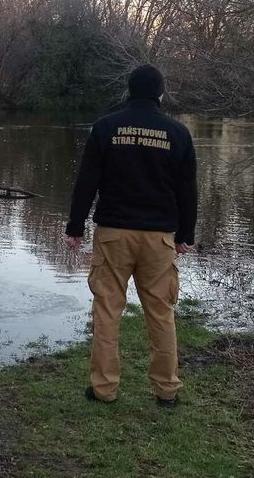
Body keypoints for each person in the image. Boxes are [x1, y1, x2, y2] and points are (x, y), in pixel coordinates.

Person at [64, 64, 197, 408]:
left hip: (113, 235)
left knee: (107, 310)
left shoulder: (106, 127)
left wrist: (75, 227)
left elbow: (87, 181)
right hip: (159, 239)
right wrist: (185, 234)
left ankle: (104, 389)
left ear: (128, 91)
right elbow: (188, 191)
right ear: (160, 94)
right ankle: (166, 391)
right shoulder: (178, 133)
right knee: (161, 312)